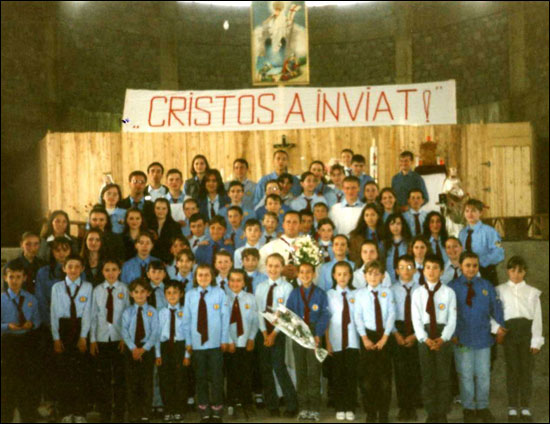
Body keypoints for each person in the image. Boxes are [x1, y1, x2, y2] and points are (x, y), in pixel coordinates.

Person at [449, 252, 506, 423]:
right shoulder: (452, 287)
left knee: (483, 374)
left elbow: (496, 308)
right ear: (460, 266)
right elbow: (448, 313)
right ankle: (468, 408)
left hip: (483, 338)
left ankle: (482, 406)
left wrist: (500, 328)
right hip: (462, 338)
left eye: (475, 265)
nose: (471, 269)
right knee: (465, 374)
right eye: (467, 265)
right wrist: (452, 333)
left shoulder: (486, 285)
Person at [496, 256, 544, 422]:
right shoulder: (500, 290)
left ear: (525, 272)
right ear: (508, 271)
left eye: (520, 271)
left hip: (526, 332)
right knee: (512, 370)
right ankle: (512, 407)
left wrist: (536, 340)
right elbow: (495, 313)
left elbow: (537, 318)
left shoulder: (532, 292)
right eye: (513, 270)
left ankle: (524, 406)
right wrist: (497, 330)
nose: (516, 274)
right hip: (509, 333)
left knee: (525, 370)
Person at [411, 254, 457, 423]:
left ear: (441, 271)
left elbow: (452, 318)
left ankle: (442, 412)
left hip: (442, 334)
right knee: (428, 376)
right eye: (428, 267)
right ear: (423, 270)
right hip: (425, 336)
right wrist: (424, 338)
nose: (431, 271)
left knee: (443, 376)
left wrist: (443, 338)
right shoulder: (418, 293)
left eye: (435, 268)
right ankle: (431, 412)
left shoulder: (449, 292)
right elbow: (416, 319)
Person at [50, 254, 93, 423]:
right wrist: (56, 338)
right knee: (64, 372)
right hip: (63, 328)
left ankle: (80, 412)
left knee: (81, 372)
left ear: (82, 269)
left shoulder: (87, 287)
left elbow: (88, 313)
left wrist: (83, 337)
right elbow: (54, 313)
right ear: (64, 268)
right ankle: (65, 412)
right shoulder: (57, 287)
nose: (73, 270)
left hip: (80, 328)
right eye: (70, 266)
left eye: (77, 266)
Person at [184, 265, 229, 424]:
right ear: (195, 278)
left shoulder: (219, 293)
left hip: (215, 343)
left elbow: (225, 318)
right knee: (200, 378)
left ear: (212, 277)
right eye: (200, 275)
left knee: (217, 378)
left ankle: (217, 409)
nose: (203, 278)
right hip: (197, 345)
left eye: (206, 275)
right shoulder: (190, 295)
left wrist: (224, 339)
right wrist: (189, 342)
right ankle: (204, 410)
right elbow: (186, 320)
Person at [286, 262, 331, 422]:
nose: (305, 275)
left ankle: (314, 408)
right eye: (302, 272)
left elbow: (325, 315)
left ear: (314, 274)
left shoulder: (320, 293)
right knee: (301, 371)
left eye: (308, 272)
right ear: (298, 274)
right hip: (298, 332)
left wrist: (318, 334)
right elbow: (288, 313)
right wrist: (293, 329)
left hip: (314, 331)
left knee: (313, 371)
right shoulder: (294, 293)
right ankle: (304, 407)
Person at [255, 253, 298, 417]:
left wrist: (273, 334)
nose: (273, 269)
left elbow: (285, 313)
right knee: (265, 369)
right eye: (270, 266)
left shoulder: (286, 288)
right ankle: (272, 404)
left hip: (278, 332)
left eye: (277, 266)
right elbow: (259, 311)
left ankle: (292, 404)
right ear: (266, 267)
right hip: (263, 332)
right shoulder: (260, 287)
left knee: (279, 367)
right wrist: (264, 332)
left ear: (282, 268)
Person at [354, 260, 395, 423]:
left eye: (377, 273)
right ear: (365, 276)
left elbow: (391, 314)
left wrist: (385, 337)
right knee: (367, 379)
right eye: (370, 273)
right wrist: (364, 338)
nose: (373, 276)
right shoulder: (360, 294)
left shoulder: (387, 292)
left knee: (384, 378)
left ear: (383, 276)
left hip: (384, 336)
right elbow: (357, 317)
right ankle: (370, 412)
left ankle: (383, 413)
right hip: (367, 336)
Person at [90, 259, 129, 423]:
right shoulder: (97, 290)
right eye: (107, 270)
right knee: (103, 378)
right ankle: (105, 413)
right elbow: (93, 316)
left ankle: (119, 412)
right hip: (102, 338)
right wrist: (93, 339)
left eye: (114, 269)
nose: (111, 273)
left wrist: (125, 338)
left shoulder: (124, 289)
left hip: (119, 339)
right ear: (102, 272)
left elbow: (128, 315)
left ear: (119, 271)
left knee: (120, 377)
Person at [1, 260, 41, 423]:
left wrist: (32, 324)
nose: (15, 281)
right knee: (8, 382)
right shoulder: (1, 299)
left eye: (18, 277)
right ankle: (6, 416)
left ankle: (28, 416)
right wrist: (7, 326)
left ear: (24, 278)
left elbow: (37, 319)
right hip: (8, 342)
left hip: (26, 342)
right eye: (11, 277)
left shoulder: (31, 299)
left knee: (27, 381)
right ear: (5, 278)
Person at [121, 277, 160, 423]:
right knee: (132, 383)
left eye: (143, 291)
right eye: (136, 292)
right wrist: (133, 348)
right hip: (131, 349)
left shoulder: (152, 311)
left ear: (148, 293)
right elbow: (124, 331)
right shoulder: (127, 312)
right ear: (131, 294)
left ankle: (145, 413)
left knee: (146, 382)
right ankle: (134, 413)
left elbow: (155, 333)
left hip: (146, 348)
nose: (139, 295)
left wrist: (143, 349)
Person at [326, 261, 358, 422]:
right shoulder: (329, 294)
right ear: (334, 276)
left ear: (350, 275)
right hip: (335, 339)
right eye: (339, 274)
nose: (342, 277)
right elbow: (326, 320)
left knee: (351, 375)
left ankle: (350, 406)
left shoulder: (356, 294)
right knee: (337, 375)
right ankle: (340, 407)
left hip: (353, 340)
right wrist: (327, 342)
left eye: (345, 274)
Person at [390, 254, 422, 421]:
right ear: (397, 270)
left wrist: (416, 335)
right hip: (399, 329)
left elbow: (424, 314)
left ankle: (413, 406)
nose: (406, 270)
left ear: (415, 270)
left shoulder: (421, 289)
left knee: (415, 369)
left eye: (409, 267)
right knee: (401, 370)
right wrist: (396, 333)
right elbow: (389, 314)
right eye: (402, 267)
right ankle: (403, 407)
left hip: (416, 329)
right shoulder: (392, 290)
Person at [224, 269, 259, 418]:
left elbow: (255, 321)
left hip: (245, 342)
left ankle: (247, 403)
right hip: (230, 343)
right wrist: (229, 341)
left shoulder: (250, 298)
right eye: (232, 280)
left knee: (246, 375)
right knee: (231, 375)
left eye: (239, 280)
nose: (235, 283)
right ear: (228, 282)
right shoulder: (224, 298)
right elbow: (223, 322)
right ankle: (231, 403)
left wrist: (251, 338)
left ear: (244, 282)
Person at [156, 280, 189, 423]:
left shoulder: (186, 312)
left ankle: (179, 410)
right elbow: (157, 335)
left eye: (175, 292)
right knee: (165, 379)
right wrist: (157, 354)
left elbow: (189, 334)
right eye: (168, 293)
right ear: (165, 295)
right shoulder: (161, 313)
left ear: (181, 294)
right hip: (165, 347)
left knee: (180, 379)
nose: (172, 295)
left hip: (180, 346)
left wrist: (187, 354)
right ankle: (168, 409)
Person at [458, 199, 504, 286]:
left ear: (481, 212)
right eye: (467, 211)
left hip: (485, 272)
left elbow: (499, 253)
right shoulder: (462, 233)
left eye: (473, 211)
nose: (470, 214)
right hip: (466, 274)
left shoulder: (490, 232)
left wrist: (479, 262)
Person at [258, 211, 301, 282]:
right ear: (283, 225)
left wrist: (300, 271)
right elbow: (259, 266)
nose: (291, 225)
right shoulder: (270, 246)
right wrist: (278, 271)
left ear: (300, 225)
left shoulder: (309, 246)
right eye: (288, 222)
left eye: (295, 222)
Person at [150, 198, 182, 263]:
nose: (160, 211)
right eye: (158, 208)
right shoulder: (148, 224)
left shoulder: (175, 226)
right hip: (151, 259)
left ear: (168, 210)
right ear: (154, 209)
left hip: (168, 260)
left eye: (164, 208)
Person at [383, 213, 412, 283]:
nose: (395, 227)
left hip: (406, 279)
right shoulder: (384, 244)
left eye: (398, 224)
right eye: (392, 224)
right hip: (388, 280)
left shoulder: (409, 243)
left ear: (403, 225)